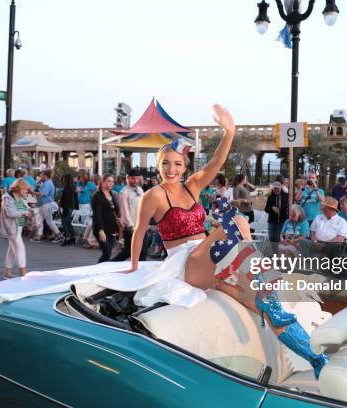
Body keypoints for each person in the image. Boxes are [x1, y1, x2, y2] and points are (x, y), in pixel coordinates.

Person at [124, 105, 328, 378]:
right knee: (236, 225)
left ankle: (316, 359)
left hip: (216, 259)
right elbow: (139, 231)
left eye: (176, 164)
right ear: (158, 166)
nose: (170, 169)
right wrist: (134, 266)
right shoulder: (153, 196)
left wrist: (229, 132)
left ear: (184, 166)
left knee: (265, 305)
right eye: (165, 163)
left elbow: (216, 164)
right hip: (189, 262)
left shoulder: (192, 186)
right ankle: (265, 272)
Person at [111, 168, 150, 261]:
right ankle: (109, 264)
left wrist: (146, 222)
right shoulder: (124, 192)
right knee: (127, 252)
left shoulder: (140, 190)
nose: (135, 181)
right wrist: (131, 226)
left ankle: (140, 272)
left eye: (137, 178)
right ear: (127, 178)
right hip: (131, 227)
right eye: (132, 178)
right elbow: (124, 211)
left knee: (143, 252)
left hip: (142, 226)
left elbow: (143, 207)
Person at [0, 178, 32, 279]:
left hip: (19, 228)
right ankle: (23, 273)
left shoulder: (21, 198)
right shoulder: (7, 198)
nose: (27, 191)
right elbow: (10, 213)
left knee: (12, 250)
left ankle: (7, 273)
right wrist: (24, 212)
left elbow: (26, 209)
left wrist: (30, 212)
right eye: (25, 189)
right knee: (20, 248)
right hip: (12, 228)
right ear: (19, 189)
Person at [92, 174, 121, 263]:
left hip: (112, 228)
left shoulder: (113, 194)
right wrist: (101, 230)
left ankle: (103, 270)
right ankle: (98, 270)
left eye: (112, 181)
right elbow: (97, 214)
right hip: (101, 228)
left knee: (108, 253)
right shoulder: (97, 196)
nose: (111, 183)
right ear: (103, 182)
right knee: (107, 253)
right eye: (109, 181)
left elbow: (115, 210)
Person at [31, 169, 62, 243]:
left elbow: (42, 194)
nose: (41, 176)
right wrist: (39, 182)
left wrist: (32, 192)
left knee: (48, 221)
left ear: (45, 175)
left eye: (42, 174)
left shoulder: (48, 183)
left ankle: (58, 235)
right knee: (41, 220)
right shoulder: (47, 183)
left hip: (46, 204)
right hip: (43, 204)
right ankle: (39, 236)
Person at [59, 173, 79, 246]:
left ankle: (67, 238)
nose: (63, 180)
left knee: (64, 223)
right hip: (71, 206)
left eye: (64, 178)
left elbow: (66, 199)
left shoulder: (67, 188)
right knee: (68, 222)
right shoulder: (73, 187)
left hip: (67, 207)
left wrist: (61, 202)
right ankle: (72, 238)